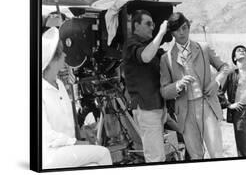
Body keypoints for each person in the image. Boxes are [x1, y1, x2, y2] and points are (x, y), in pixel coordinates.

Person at [160, 12, 229, 159]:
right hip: (184, 113)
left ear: (189, 27)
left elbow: (225, 67)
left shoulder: (203, 48)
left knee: (217, 154)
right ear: (172, 33)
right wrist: (177, 85)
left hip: (207, 105)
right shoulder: (166, 58)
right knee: (196, 156)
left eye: (185, 28)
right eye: (177, 29)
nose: (182, 32)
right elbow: (164, 91)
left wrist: (216, 82)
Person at [42, 27, 112, 169]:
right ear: (52, 60)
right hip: (51, 152)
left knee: (94, 161)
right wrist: (75, 143)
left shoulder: (60, 84)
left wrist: (82, 133)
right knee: (103, 154)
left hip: (66, 149)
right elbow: (47, 135)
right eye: (61, 53)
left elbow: (66, 124)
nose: (65, 56)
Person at [123, 10, 168, 162]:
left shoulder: (151, 46)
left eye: (154, 25)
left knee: (159, 154)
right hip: (146, 107)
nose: (152, 27)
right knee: (155, 157)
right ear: (136, 25)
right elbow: (145, 56)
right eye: (148, 24)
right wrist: (161, 33)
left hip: (157, 106)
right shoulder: (131, 44)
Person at [218, 45, 246, 157]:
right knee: (243, 150)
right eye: (238, 50)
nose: (242, 51)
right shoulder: (231, 73)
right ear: (234, 58)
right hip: (239, 112)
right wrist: (229, 105)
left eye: (244, 50)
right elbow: (219, 92)